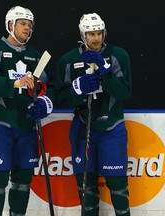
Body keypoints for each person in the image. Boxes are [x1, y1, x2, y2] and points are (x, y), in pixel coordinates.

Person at [54, 13, 132, 215]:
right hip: (83, 127)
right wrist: (77, 89)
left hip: (112, 128)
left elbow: (124, 91)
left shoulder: (118, 55)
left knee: (118, 186)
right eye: (91, 34)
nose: (96, 38)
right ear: (83, 35)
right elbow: (60, 97)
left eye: (99, 33)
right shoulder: (69, 60)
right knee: (86, 188)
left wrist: (105, 71)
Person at [0, 6, 54, 215]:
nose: (27, 28)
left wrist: (45, 103)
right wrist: (15, 84)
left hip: (26, 126)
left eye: (29, 25)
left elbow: (48, 87)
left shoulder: (36, 56)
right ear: (10, 25)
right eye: (23, 24)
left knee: (23, 180)